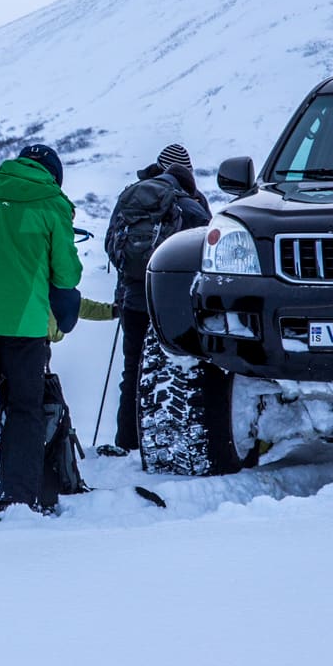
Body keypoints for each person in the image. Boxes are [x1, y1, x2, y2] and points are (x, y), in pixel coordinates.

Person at [0, 142, 84, 512]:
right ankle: (16, 494)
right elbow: (67, 274)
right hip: (23, 324)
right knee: (25, 409)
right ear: (53, 174)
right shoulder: (53, 204)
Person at [102, 143, 210, 455]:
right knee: (178, 372)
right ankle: (169, 447)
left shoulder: (132, 195)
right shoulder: (192, 205)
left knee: (132, 369)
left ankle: (128, 443)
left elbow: (112, 245)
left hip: (132, 300)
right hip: (173, 305)